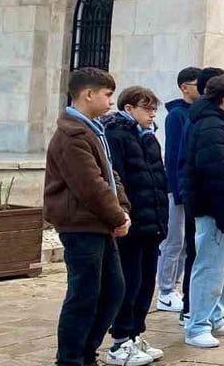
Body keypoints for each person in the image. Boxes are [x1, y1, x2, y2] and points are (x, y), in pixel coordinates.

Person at [44, 67, 131, 366]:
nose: (111, 102)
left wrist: (123, 209)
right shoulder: (72, 135)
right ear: (88, 94)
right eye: (108, 95)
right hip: (81, 224)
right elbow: (90, 186)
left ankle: (85, 352)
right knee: (85, 294)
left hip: (99, 223)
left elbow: (110, 174)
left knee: (113, 290)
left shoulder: (93, 130)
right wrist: (117, 217)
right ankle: (70, 359)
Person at [180, 74, 224, 349]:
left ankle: (215, 317)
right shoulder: (212, 126)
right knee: (209, 267)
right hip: (214, 209)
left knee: (219, 267)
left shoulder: (223, 121)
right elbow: (217, 175)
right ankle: (197, 326)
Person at [103, 86, 170, 365]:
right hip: (132, 225)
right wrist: (123, 216)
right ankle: (120, 340)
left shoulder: (149, 138)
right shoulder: (116, 136)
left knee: (145, 284)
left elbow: (158, 180)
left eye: (154, 109)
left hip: (153, 225)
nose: (152, 114)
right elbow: (116, 181)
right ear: (129, 108)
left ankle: (135, 334)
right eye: (147, 108)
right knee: (129, 283)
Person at [178, 66, 224, 324]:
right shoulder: (198, 121)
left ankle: (214, 313)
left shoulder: (221, 120)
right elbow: (185, 161)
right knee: (199, 257)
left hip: (217, 202)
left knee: (216, 262)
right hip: (203, 201)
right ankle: (192, 312)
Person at [156, 66, 199, 314]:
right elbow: (173, 156)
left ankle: (177, 284)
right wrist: (178, 189)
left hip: (188, 188)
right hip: (176, 188)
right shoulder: (176, 116)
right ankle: (165, 290)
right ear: (185, 87)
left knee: (185, 243)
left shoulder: (195, 113)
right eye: (197, 84)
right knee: (173, 241)